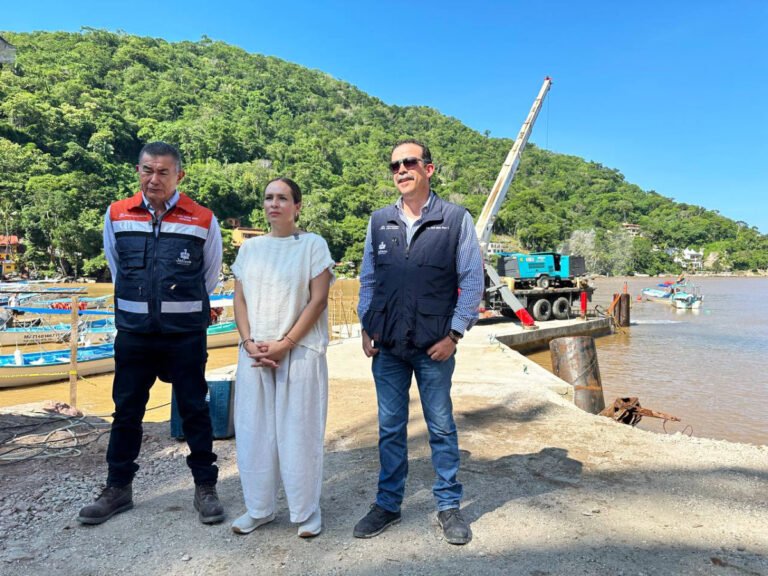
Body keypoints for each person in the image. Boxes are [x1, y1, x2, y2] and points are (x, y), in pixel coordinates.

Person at [78, 142, 224, 525]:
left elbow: (209, 276)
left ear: (179, 175)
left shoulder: (203, 219)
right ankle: (117, 488)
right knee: (126, 411)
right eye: (147, 170)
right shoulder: (117, 214)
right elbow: (117, 267)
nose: (153, 179)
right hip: (135, 333)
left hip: (185, 334)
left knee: (195, 408)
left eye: (162, 172)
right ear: (138, 171)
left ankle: (205, 487)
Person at [353, 139, 484, 545]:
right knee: (390, 428)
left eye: (409, 163)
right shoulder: (379, 221)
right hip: (388, 346)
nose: (401, 170)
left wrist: (455, 334)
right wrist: (365, 325)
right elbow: (369, 280)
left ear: (428, 169)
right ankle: (388, 504)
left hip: (434, 347)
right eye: (394, 165)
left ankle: (448, 506)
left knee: (441, 428)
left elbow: (473, 280)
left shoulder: (456, 220)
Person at [230, 177, 334, 538]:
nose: (274, 204)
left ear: (297, 205)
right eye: (269, 198)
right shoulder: (250, 249)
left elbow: (317, 299)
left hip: (300, 352)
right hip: (255, 353)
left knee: (299, 432)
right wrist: (248, 342)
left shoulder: (312, 245)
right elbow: (239, 300)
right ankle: (259, 508)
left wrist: (285, 343)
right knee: (253, 430)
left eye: (283, 198)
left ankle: (306, 510)